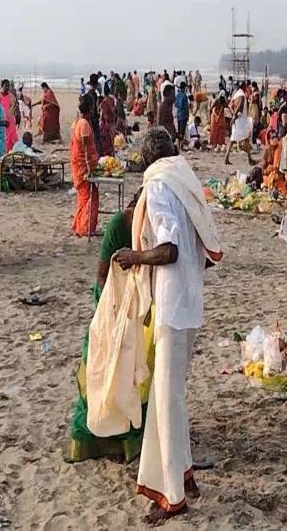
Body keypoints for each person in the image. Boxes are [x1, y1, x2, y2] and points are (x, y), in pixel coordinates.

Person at [109, 127, 222, 524]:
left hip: (174, 307)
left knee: (165, 399)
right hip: (190, 303)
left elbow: (170, 248)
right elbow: (203, 252)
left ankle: (172, 496)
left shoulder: (159, 186)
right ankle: (184, 475)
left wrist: (134, 256)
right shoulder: (184, 179)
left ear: (148, 158)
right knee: (171, 395)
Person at [67, 191, 153, 463]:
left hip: (140, 309)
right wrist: (115, 313)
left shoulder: (152, 230)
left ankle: (127, 441)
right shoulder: (119, 224)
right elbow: (102, 276)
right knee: (100, 368)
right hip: (111, 305)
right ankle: (90, 441)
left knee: (133, 376)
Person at [70, 96, 100, 237]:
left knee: (85, 197)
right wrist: (89, 169)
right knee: (88, 198)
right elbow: (86, 150)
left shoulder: (78, 122)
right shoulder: (84, 125)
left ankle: (80, 225)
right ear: (91, 107)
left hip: (79, 166)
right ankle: (83, 227)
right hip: (83, 168)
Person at [224, 82, 256, 166]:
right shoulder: (241, 95)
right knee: (244, 138)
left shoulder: (236, 94)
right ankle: (249, 159)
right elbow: (240, 108)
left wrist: (233, 116)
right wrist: (234, 116)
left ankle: (227, 157)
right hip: (241, 120)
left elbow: (230, 105)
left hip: (237, 120)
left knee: (234, 139)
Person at [0, 80, 19, 152]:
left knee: (13, 139)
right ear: (2, 86)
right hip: (2, 122)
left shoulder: (11, 97)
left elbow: (15, 108)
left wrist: (17, 116)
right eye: (5, 86)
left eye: (8, 86)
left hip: (10, 121)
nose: (7, 87)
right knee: (4, 139)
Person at [99, 86, 117, 157]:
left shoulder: (104, 102)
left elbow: (104, 114)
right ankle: (111, 154)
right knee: (111, 140)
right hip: (112, 122)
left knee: (106, 141)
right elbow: (114, 111)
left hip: (106, 123)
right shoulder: (112, 100)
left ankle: (107, 155)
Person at [175, 82, 190, 151]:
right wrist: (187, 115)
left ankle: (179, 144)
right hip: (183, 114)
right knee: (182, 131)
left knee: (179, 130)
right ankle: (181, 146)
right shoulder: (184, 96)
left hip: (178, 114)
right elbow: (186, 107)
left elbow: (176, 104)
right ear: (184, 88)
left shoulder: (177, 95)